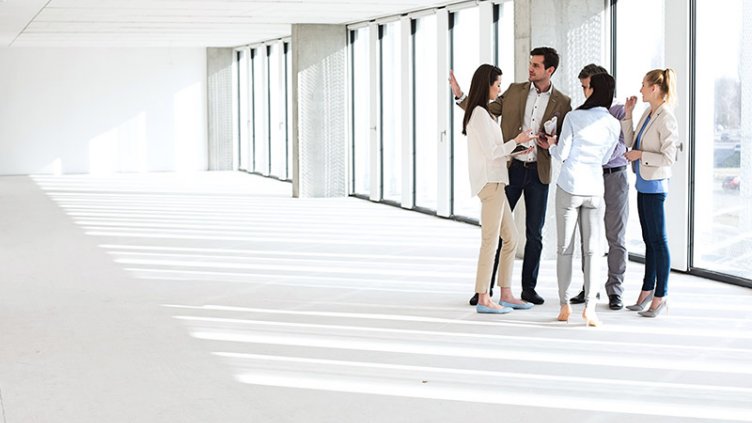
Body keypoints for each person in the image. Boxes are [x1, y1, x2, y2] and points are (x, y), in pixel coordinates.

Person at [451, 47, 572, 306]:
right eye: (530, 63)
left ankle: (525, 288)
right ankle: (484, 291)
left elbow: (564, 138)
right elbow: (483, 109)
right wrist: (461, 95)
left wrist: (551, 141)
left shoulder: (562, 101)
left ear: (549, 70)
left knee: (532, 234)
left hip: (538, 170)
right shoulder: (514, 90)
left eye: (536, 65)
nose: (530, 68)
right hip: (510, 169)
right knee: (496, 234)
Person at [537, 73, 620, 326]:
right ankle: (590, 309)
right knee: (593, 251)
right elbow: (605, 159)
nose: (585, 90)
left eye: (587, 87)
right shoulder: (613, 124)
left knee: (565, 248)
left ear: (593, 90)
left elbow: (561, 154)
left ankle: (564, 306)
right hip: (595, 189)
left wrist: (549, 145)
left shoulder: (574, 117)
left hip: (570, 186)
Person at [462, 64, 537, 313]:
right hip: (490, 183)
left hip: (497, 181)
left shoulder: (485, 114)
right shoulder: (480, 114)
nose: (499, 89)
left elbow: (496, 152)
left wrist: (517, 149)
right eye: (497, 84)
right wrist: (516, 141)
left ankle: (505, 293)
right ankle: (484, 297)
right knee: (490, 241)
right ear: (487, 84)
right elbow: (491, 152)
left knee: (511, 238)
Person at [568, 64, 629, 311]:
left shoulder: (621, 112)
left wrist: (599, 154)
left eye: (588, 87)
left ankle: (615, 290)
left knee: (616, 236)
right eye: (583, 87)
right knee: (588, 237)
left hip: (615, 177)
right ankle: (589, 288)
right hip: (589, 177)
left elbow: (623, 145)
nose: (585, 92)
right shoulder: (581, 113)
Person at [622, 69, 679, 318]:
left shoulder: (666, 117)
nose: (641, 88)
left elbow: (669, 157)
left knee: (659, 241)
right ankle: (647, 291)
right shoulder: (649, 112)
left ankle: (661, 295)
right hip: (643, 184)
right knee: (649, 241)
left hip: (655, 186)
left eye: (644, 85)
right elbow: (631, 142)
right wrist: (628, 115)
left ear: (655, 88)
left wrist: (640, 155)